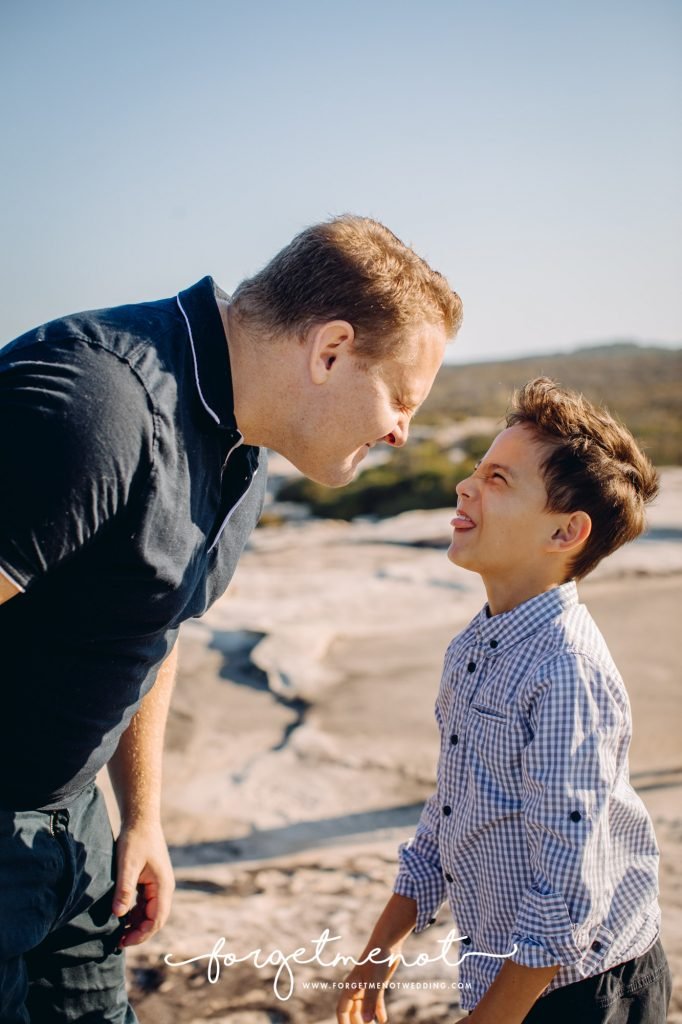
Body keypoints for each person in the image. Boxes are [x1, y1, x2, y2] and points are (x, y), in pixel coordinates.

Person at [0, 214, 462, 1023]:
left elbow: (151, 620)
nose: (401, 432)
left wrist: (142, 815)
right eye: (401, 399)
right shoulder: (96, 406)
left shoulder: (244, 446)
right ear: (329, 350)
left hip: (73, 837)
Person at [337, 378, 672, 1024]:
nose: (465, 486)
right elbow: (449, 813)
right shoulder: (472, 647)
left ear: (565, 532)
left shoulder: (565, 673)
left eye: (498, 479)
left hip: (586, 991)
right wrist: (380, 949)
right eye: (475, 471)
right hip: (503, 971)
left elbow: (569, 898)